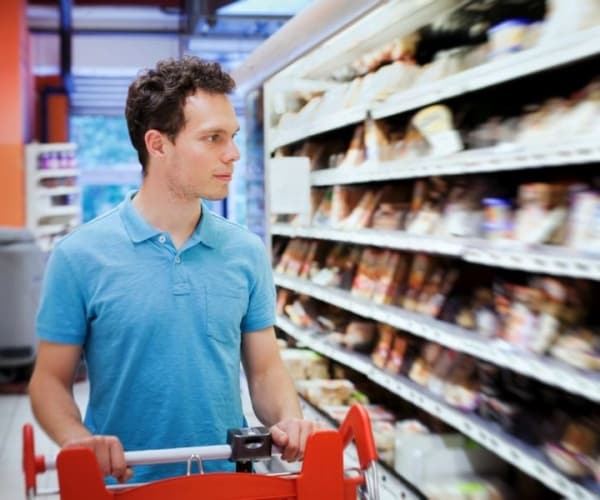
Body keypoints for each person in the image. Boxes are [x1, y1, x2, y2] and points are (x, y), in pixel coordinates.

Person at [28, 56, 319, 484]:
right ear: (158, 144)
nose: (234, 154)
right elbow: (49, 381)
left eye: (233, 136)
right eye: (213, 138)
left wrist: (290, 420)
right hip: (123, 485)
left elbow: (265, 369)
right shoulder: (79, 256)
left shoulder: (245, 251)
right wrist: (77, 439)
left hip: (230, 478)